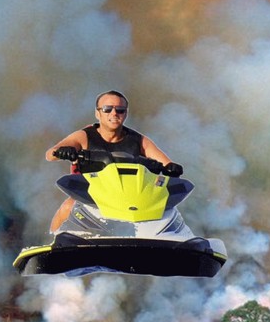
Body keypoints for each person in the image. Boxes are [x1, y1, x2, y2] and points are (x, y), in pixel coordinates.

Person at [44, 90, 181, 232]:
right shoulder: (83, 136)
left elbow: (165, 162)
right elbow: (50, 154)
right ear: (98, 113)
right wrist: (62, 151)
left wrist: (172, 168)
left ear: (126, 114)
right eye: (107, 109)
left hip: (132, 201)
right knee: (68, 206)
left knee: (168, 212)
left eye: (120, 110)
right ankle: (54, 243)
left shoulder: (138, 140)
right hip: (90, 199)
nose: (114, 113)